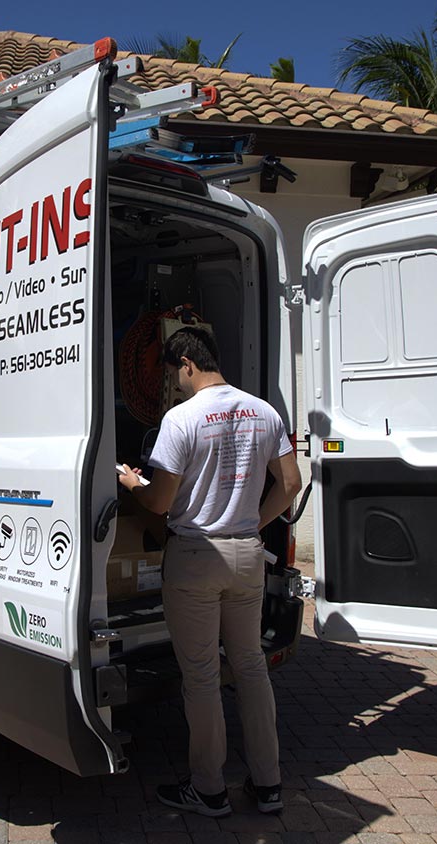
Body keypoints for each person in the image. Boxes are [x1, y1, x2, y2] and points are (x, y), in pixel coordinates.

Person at [118, 327, 303, 817]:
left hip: (196, 555)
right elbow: (290, 483)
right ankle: (268, 785)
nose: (175, 386)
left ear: (186, 365)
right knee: (250, 667)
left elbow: (159, 501)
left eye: (174, 376)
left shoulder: (181, 420)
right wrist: (253, 524)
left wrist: (133, 483)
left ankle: (209, 788)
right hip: (246, 554)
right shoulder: (265, 412)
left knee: (201, 676)